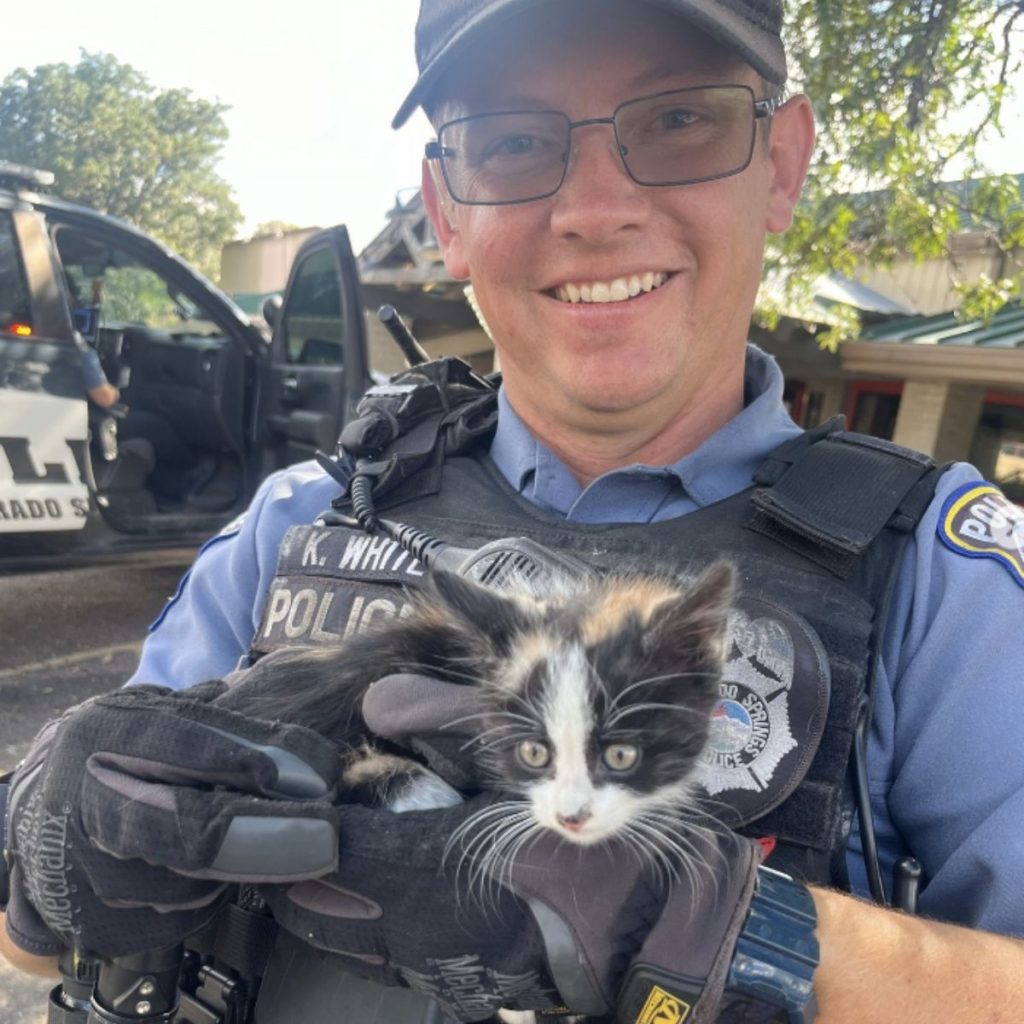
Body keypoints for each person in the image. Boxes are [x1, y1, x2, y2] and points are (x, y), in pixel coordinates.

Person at [3, 1, 1024, 1021]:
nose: (594, 207)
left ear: (783, 163)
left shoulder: (943, 581)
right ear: (445, 212)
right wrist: (51, 866)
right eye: (514, 142)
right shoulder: (299, 519)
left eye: (676, 121)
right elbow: (32, 940)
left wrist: (708, 930)